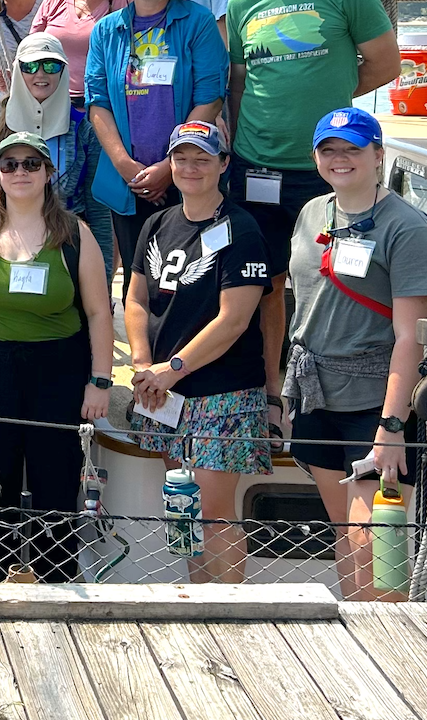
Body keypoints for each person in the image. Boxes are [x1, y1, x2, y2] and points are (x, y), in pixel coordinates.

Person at [228, 0, 398, 441]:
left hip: (329, 169)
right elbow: (239, 79)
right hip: (255, 164)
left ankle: (347, 388)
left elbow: (383, 64)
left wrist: (333, 115)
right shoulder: (243, 1)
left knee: (338, 278)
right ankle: (274, 392)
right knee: (267, 284)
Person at [0, 132, 114, 582]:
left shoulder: (75, 232)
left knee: (54, 476)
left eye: (31, 164)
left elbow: (99, 310)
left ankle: (55, 580)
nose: (20, 172)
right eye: (10, 164)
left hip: (57, 366)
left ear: (47, 172)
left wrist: (100, 380)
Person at [283, 107, 427, 601]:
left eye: (352, 149)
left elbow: (412, 337)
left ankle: (395, 659)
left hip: (374, 401)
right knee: (345, 541)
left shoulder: (407, 228)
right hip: (316, 394)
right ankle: (358, 652)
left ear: (378, 155)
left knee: (375, 548)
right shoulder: (312, 213)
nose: (340, 159)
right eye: (329, 150)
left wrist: (390, 429)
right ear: (316, 158)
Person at [125, 122, 272, 584]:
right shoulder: (156, 223)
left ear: (223, 165)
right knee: (182, 504)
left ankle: (229, 611)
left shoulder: (241, 229)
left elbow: (234, 320)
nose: (190, 168)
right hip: (167, 394)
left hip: (222, 390)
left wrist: (171, 370)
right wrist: (143, 362)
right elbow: (135, 299)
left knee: (214, 511)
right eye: (181, 158)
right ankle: (198, 598)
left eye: (202, 159)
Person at [86, 0, 228, 299]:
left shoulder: (198, 22)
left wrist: (171, 165)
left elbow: (210, 98)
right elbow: (97, 101)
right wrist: (124, 165)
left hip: (187, 174)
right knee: (138, 283)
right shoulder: (105, 30)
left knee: (190, 282)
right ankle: (143, 355)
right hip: (126, 181)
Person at [0, 33, 114, 275]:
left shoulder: (84, 131)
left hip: (67, 248)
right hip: (6, 248)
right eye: (30, 66)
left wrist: (103, 276)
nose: (41, 74)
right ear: (18, 71)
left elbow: (99, 213)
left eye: (51, 65)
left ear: (63, 71)